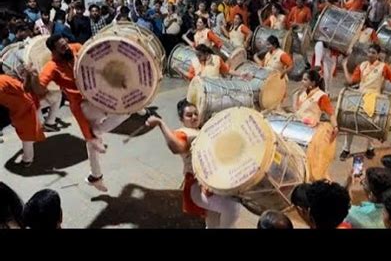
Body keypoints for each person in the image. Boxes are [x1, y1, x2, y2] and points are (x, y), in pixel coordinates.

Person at [25, 34, 133, 192]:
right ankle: (96, 134)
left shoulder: (76, 48)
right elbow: (39, 90)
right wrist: (32, 77)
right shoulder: (52, 67)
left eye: (66, 44)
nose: (67, 47)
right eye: (62, 47)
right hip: (83, 105)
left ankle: (95, 175)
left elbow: (96, 60)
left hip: (96, 93)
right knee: (124, 110)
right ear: (54, 52)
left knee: (97, 137)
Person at [146, 99, 241, 228]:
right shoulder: (183, 133)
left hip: (214, 184)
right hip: (197, 187)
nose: (194, 117)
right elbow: (176, 147)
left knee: (214, 217)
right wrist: (161, 124)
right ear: (182, 119)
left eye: (196, 113)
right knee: (232, 207)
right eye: (189, 115)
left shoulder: (203, 130)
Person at [341, 44, 391, 160]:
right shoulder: (362, 65)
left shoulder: (383, 67)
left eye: (373, 53)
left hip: (374, 96)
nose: (370, 55)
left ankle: (370, 148)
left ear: (378, 55)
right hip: (360, 95)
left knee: (372, 123)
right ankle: (346, 149)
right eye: (369, 52)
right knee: (350, 122)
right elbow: (351, 81)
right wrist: (344, 67)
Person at [0, 74, 46, 167]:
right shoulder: (3, 79)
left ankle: (27, 159)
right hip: (23, 105)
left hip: (20, 108)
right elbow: (22, 88)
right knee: (27, 134)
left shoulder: (3, 80)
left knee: (26, 135)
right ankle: (28, 157)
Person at [186, 44, 251, 80]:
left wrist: (241, 74)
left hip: (215, 91)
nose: (197, 57)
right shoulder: (194, 62)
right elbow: (190, 77)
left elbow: (227, 71)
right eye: (196, 55)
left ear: (206, 53)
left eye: (199, 55)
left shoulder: (216, 59)